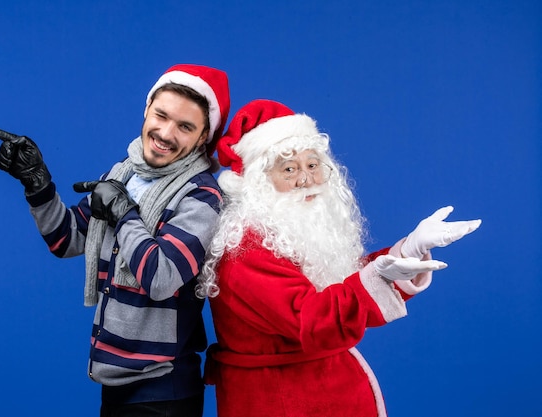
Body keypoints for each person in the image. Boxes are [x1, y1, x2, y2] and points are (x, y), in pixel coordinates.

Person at [196, 99, 481, 417]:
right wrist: (381, 276)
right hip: (282, 402)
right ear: (257, 183)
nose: (306, 180)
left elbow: (343, 286)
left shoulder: (284, 232)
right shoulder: (246, 250)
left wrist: (406, 250)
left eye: (312, 165)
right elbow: (317, 320)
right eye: (289, 169)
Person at [0, 64, 230, 417]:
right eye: (161, 115)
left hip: (164, 389)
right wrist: (37, 183)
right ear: (147, 110)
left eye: (185, 126)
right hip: (115, 378)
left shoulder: (202, 197)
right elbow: (66, 239)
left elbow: (161, 277)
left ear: (204, 136)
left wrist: (124, 214)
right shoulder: (124, 174)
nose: (166, 132)